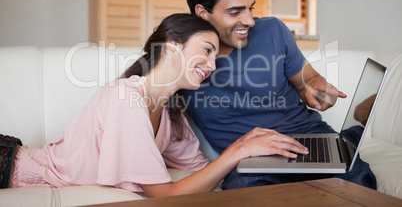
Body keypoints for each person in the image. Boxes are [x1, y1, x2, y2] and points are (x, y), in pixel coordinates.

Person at [0, 13, 308, 197]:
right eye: (207, 50)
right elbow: (165, 195)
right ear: (173, 43)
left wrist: (248, 147)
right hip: (11, 166)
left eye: (216, 56)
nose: (213, 65)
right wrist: (238, 151)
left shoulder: (173, 115)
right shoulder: (127, 97)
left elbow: (203, 174)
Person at [183, 0, 377, 189]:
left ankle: (347, 138)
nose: (249, 21)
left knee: (358, 182)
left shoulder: (273, 30)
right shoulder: (180, 55)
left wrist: (315, 86)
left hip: (306, 134)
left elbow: (307, 80)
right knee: (242, 192)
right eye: (235, 12)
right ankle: (350, 136)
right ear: (202, 12)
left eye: (250, 8)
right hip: (249, 153)